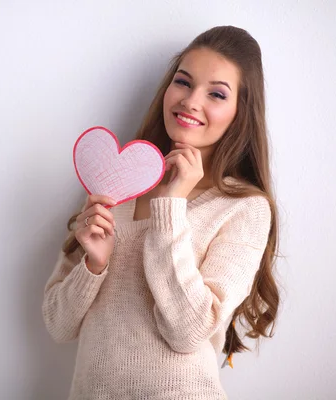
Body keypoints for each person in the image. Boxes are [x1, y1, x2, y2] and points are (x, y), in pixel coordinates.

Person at [42, 26, 280, 399]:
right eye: (183, 82)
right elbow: (58, 324)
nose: (190, 101)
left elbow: (186, 332)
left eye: (216, 93)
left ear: (239, 112)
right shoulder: (112, 184)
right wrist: (93, 267)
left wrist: (170, 205)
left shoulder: (244, 209)